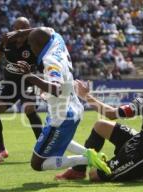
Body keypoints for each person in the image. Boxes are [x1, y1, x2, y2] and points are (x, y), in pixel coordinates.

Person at [15, 27, 111, 175]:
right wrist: (21, 33)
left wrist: (30, 76)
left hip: (61, 117)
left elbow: (56, 88)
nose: (31, 49)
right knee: (60, 140)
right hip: (73, 108)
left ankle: (87, 159)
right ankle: (89, 154)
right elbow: (48, 30)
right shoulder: (57, 39)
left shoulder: (50, 61)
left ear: (38, 45)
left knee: (37, 163)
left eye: (31, 45)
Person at [0, 17, 43, 163]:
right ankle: (1, 149)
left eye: (24, 28)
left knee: (29, 108)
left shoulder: (34, 41)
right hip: (9, 83)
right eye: (17, 28)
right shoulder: (7, 39)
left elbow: (46, 33)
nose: (20, 31)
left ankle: (42, 147)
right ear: (13, 28)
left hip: (28, 82)